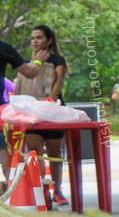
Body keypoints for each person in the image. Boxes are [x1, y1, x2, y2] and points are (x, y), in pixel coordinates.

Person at [16, 25, 69, 206]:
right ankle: (40, 190)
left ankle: (57, 189)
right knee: (34, 152)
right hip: (32, 114)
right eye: (32, 38)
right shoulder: (25, 63)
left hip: (53, 112)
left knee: (55, 153)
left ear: (49, 40)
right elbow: (19, 89)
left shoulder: (58, 60)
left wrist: (50, 101)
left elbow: (58, 83)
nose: (35, 41)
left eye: (39, 37)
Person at [0, 39, 40, 181]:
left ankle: (11, 188)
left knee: (6, 148)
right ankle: (12, 189)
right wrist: (38, 62)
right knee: (6, 150)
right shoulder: (3, 48)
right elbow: (30, 72)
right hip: (0, 111)